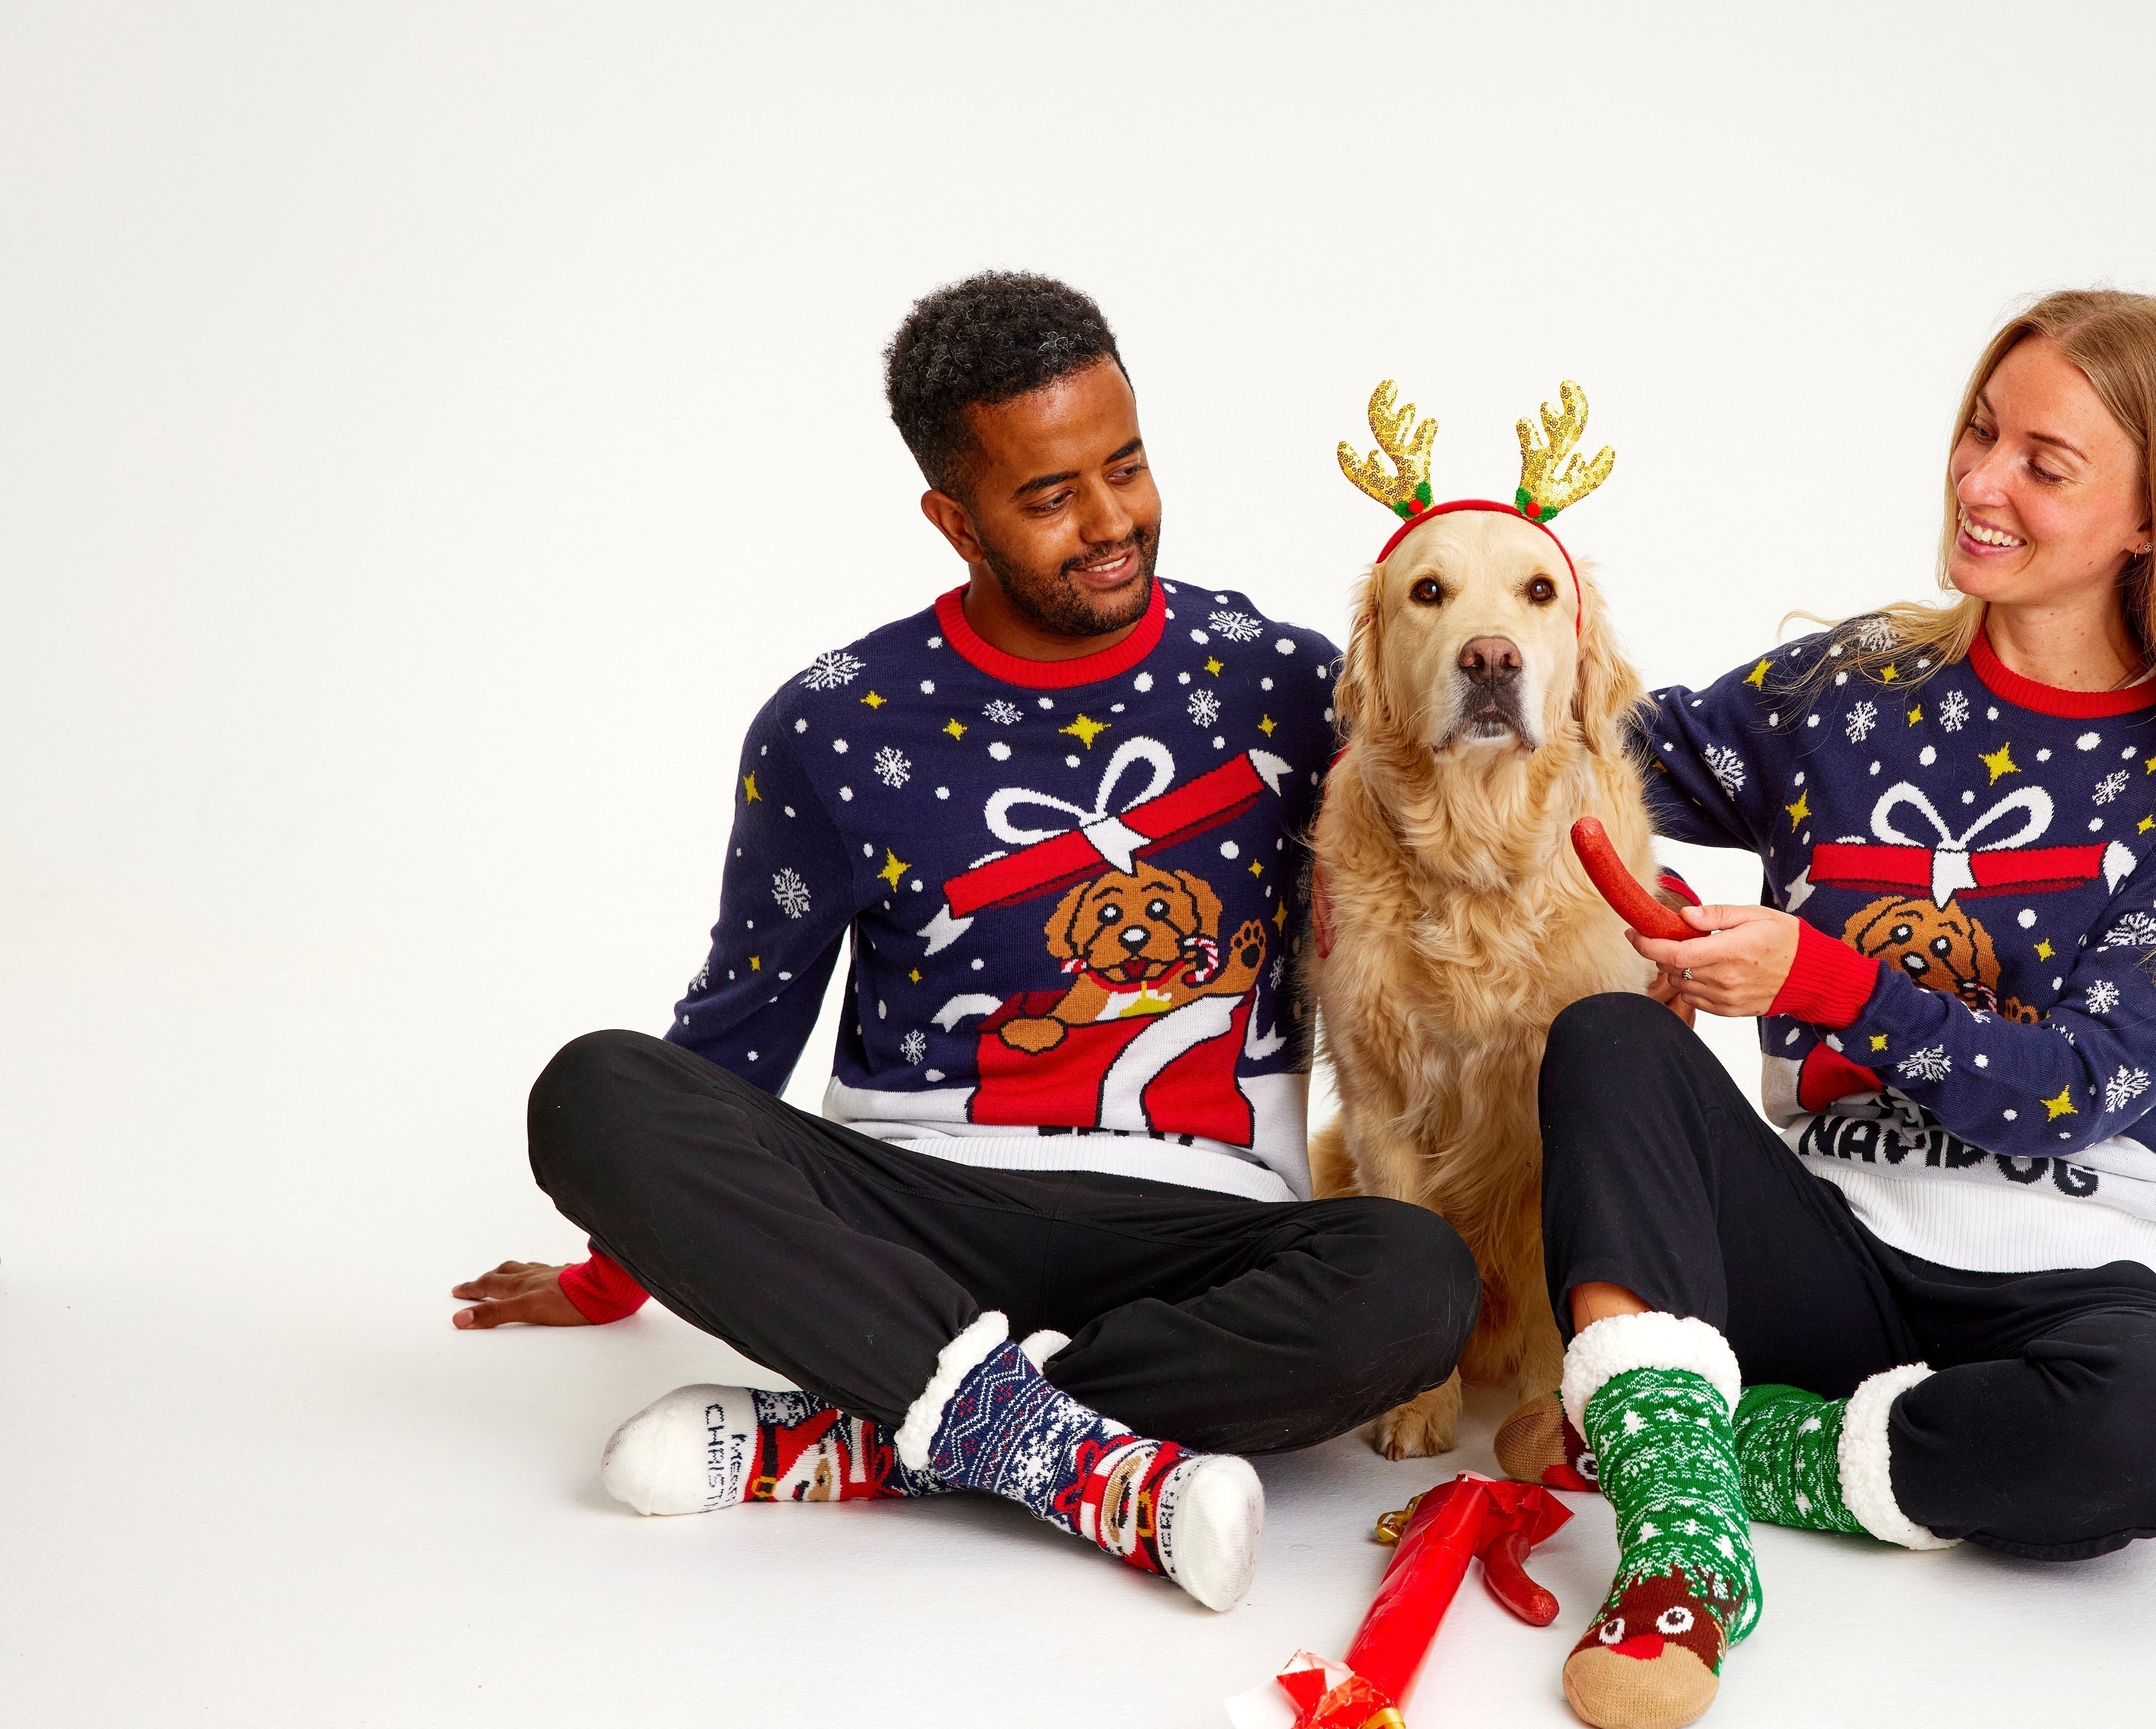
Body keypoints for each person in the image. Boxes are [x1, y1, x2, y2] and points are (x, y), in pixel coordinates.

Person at [450, 272, 1478, 1613]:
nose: (1111, 524)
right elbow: (739, 1028)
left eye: (1126, 467)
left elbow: (1486, 837)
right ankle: (1068, 1449)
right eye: (1050, 498)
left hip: (1203, 1221)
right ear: (953, 519)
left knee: (1414, 1282)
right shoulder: (835, 725)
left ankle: (869, 1435)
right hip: (911, 1211)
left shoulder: (1282, 681)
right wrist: (615, 1262)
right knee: (595, 1089)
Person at [1502, 289, 2156, 1729]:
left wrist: (1821, 980)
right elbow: (1591, 749)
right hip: (1814, 1246)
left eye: (2042, 462)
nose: (1979, 479)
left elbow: (2079, 1085)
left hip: (2050, 1278)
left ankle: (1722, 1442)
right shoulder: (1851, 688)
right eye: (1977, 431)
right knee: (1610, 1042)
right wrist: (1502, 608)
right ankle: (1680, 1548)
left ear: (2152, 517)